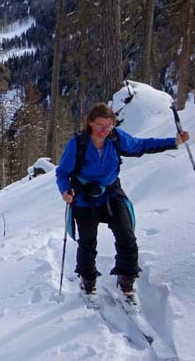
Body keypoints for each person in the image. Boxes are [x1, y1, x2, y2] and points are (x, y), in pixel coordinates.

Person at [55, 103, 190, 301]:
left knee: (127, 237)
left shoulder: (116, 138)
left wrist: (174, 141)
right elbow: (62, 172)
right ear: (90, 123)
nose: (104, 131)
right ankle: (88, 281)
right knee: (87, 242)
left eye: (108, 126)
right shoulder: (78, 144)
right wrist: (65, 191)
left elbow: (141, 145)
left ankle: (126, 281)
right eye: (100, 125)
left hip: (111, 194)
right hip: (85, 198)